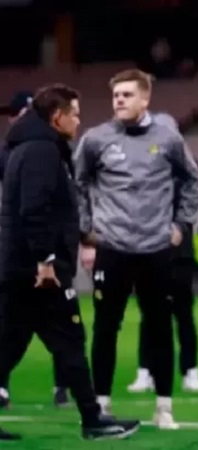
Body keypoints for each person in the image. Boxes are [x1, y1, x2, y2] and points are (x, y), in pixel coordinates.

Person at [0, 84, 140, 440]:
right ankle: (93, 419)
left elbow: (44, 209)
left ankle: (93, 417)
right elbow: (34, 209)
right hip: (38, 272)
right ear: (57, 117)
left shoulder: (29, 147)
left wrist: (80, 235)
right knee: (70, 341)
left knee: (10, 344)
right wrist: (45, 260)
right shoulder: (42, 151)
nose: (79, 121)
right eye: (74, 114)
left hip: (20, 269)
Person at [74, 69, 198, 428]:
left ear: (145, 99)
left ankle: (164, 407)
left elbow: (193, 180)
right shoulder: (96, 139)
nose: (119, 100)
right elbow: (77, 183)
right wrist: (86, 230)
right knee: (105, 328)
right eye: (116, 95)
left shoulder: (168, 138)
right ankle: (101, 404)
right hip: (112, 248)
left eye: (127, 94)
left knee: (160, 328)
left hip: (156, 249)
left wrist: (181, 225)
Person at [0, 90, 73, 409]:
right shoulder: (23, 152)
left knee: (30, 328)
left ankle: (66, 388)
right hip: (23, 255)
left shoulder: (50, 149)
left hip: (37, 253)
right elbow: (30, 207)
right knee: (31, 329)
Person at [127, 112, 198, 395]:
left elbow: (191, 202)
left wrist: (177, 226)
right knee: (149, 313)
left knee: (183, 313)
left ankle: (190, 371)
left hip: (178, 249)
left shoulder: (187, 165)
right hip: (148, 248)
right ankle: (145, 371)